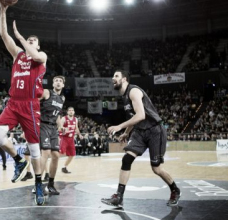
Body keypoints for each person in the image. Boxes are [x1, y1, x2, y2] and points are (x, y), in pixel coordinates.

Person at [0, 0, 47, 205]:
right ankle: (17, 161)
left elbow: (35, 55)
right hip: (14, 103)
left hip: (31, 105)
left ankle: (39, 184)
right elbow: (3, 35)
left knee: (35, 150)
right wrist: (2, 10)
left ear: (38, 45)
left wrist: (23, 39)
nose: (30, 42)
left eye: (34, 41)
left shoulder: (41, 56)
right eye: (28, 40)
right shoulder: (18, 56)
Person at [101, 70, 181, 208]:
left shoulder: (133, 91)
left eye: (116, 76)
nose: (113, 78)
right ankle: (118, 197)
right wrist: (126, 133)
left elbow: (141, 115)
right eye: (113, 76)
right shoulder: (124, 97)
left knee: (156, 168)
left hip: (155, 130)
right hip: (140, 131)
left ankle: (175, 189)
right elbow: (134, 119)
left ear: (124, 79)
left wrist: (119, 127)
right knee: (126, 159)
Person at [38, 76, 66, 195]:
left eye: (60, 81)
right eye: (56, 81)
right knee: (45, 152)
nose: (58, 83)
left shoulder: (62, 99)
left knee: (55, 155)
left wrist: (60, 126)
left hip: (53, 128)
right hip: (43, 125)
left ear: (63, 85)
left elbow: (58, 116)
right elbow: (34, 103)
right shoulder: (46, 92)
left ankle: (50, 184)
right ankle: (37, 184)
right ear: (53, 83)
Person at [60, 107, 82, 174]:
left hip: (71, 139)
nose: (71, 111)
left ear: (74, 112)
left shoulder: (76, 119)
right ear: (67, 112)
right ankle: (51, 162)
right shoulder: (64, 118)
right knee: (60, 153)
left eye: (72, 110)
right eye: (69, 110)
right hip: (64, 138)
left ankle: (64, 167)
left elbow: (76, 128)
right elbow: (59, 127)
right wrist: (63, 128)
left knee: (72, 155)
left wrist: (79, 134)